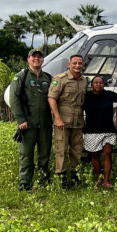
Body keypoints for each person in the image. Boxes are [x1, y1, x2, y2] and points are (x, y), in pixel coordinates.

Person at [10, 49, 53, 191]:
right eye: (33, 57)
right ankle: (25, 182)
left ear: (43, 60)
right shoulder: (21, 76)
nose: (37, 59)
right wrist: (21, 119)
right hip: (28, 123)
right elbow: (14, 99)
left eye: (39, 57)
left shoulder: (48, 77)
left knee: (45, 153)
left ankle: (43, 179)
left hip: (46, 122)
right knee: (26, 154)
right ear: (28, 59)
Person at [47, 54, 87, 189]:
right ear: (69, 64)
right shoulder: (60, 79)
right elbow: (51, 98)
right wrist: (57, 118)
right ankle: (61, 176)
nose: (77, 66)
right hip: (62, 120)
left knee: (77, 149)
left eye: (80, 63)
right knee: (61, 149)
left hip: (78, 120)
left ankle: (75, 175)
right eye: (74, 63)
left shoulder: (83, 80)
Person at [82, 76, 117, 187]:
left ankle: (106, 180)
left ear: (104, 84)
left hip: (108, 130)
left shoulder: (109, 95)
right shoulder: (87, 96)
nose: (98, 84)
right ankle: (99, 178)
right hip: (92, 130)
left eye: (101, 83)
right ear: (92, 85)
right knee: (95, 155)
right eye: (96, 82)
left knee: (107, 154)